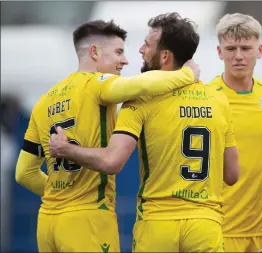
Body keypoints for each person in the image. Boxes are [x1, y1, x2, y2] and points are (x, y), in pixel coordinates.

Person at [49, 13, 240, 252]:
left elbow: (112, 160)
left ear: (164, 56)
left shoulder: (141, 98)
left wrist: (67, 149)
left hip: (156, 226)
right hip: (205, 225)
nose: (140, 50)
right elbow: (232, 174)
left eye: (147, 45)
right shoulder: (218, 99)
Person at [15, 19, 200, 252]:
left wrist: (61, 195)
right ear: (94, 52)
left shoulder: (44, 102)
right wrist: (186, 75)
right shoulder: (97, 85)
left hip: (48, 222)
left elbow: (24, 174)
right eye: (118, 52)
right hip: (88, 219)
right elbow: (140, 86)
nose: (125, 60)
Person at [208, 13, 262, 252]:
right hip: (218, 230)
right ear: (220, 52)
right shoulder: (207, 96)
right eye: (231, 48)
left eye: (246, 48)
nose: (239, 56)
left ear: (260, 49)